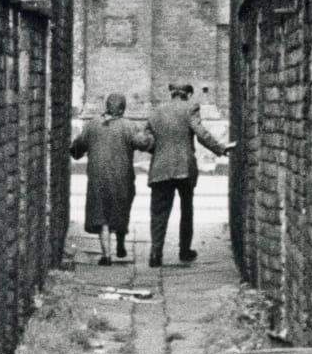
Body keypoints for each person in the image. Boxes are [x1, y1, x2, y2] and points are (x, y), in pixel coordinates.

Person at [144, 82, 232, 267]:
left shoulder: (157, 111)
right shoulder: (191, 107)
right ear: (188, 94)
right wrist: (220, 149)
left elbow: (147, 141)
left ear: (171, 94)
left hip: (160, 168)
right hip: (184, 168)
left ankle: (155, 254)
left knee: (159, 213)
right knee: (186, 210)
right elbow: (200, 133)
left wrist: (160, 151)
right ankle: (184, 251)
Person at [69, 92, 152, 265]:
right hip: (122, 177)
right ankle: (121, 243)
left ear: (107, 106)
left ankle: (106, 256)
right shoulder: (129, 126)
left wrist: (75, 149)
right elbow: (144, 143)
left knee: (102, 215)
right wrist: (151, 135)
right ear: (122, 108)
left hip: (97, 177)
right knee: (121, 208)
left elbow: (77, 149)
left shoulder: (93, 124)